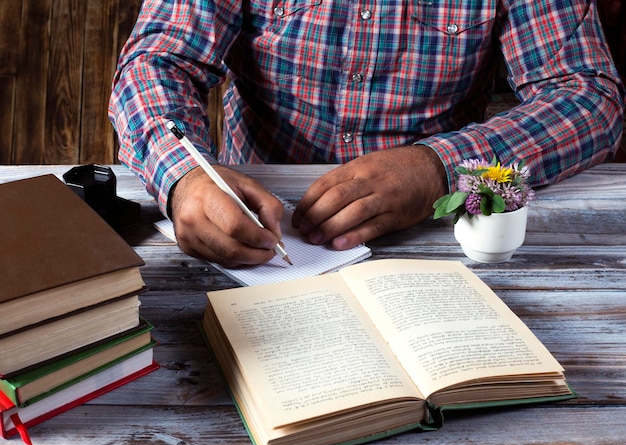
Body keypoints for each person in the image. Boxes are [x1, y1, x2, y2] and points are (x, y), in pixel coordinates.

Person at [109, 0, 624, 268]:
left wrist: (443, 170)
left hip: (445, 229)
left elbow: (589, 98)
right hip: (262, 230)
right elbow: (156, 65)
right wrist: (183, 176)